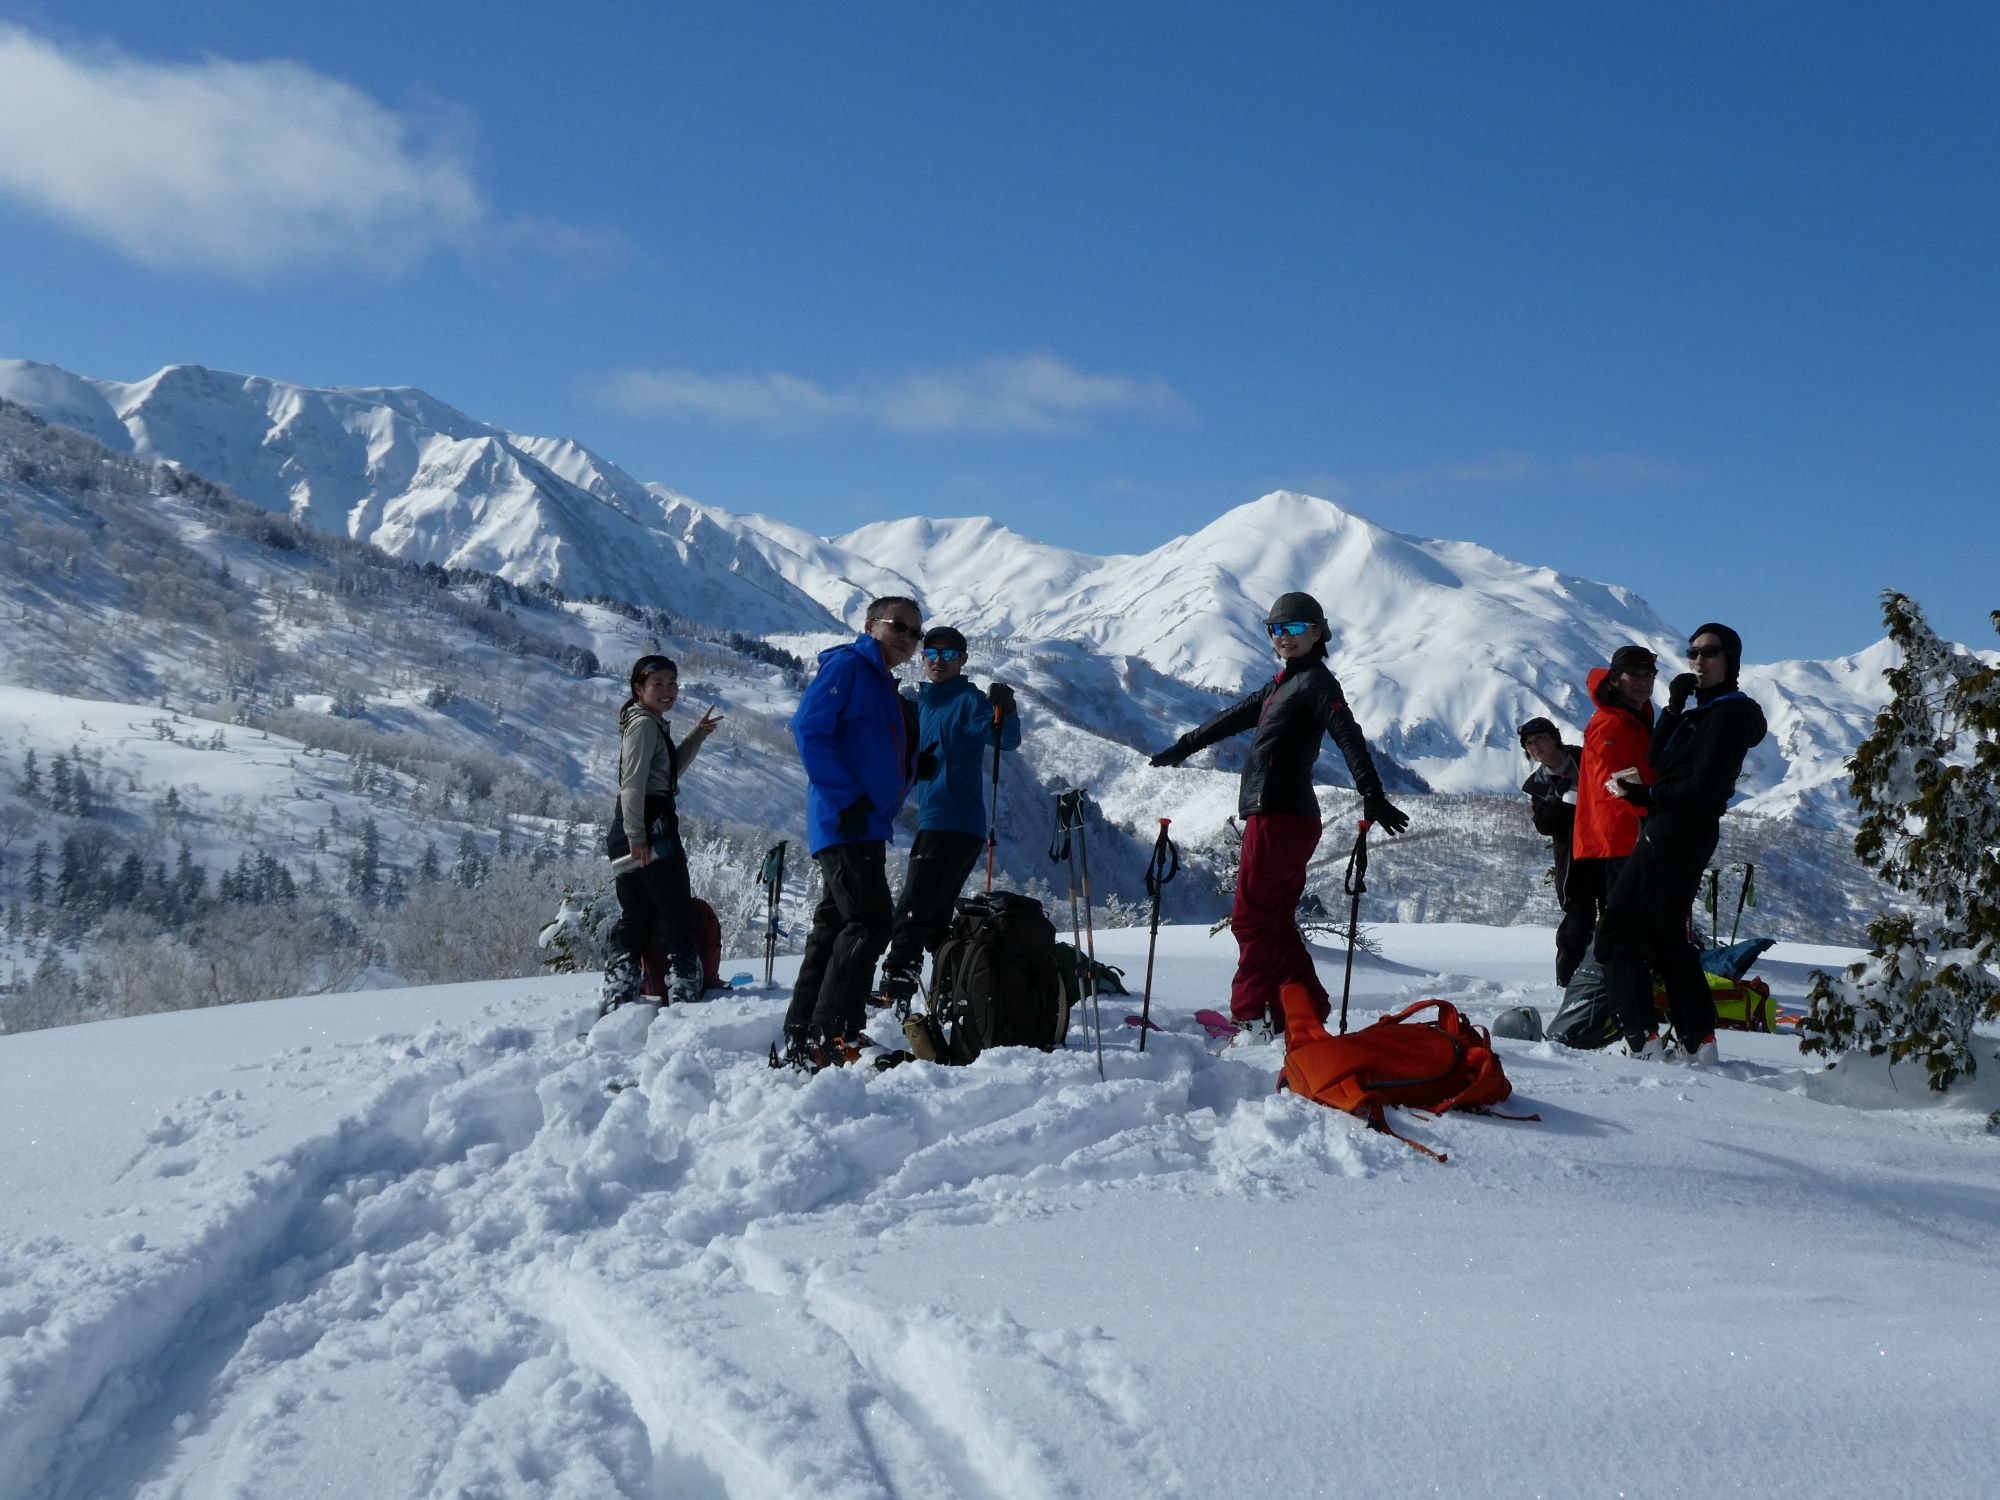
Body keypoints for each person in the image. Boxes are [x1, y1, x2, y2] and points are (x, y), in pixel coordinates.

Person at [1148, 591, 1409, 1034]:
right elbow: (1232, 717)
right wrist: (1184, 747)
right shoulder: (1283, 683)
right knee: (1274, 921)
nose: (1283, 636)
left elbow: (1348, 735)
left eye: (1293, 628)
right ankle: (1305, 1009)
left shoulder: (1316, 684)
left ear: (1317, 633)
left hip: (1281, 816)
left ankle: (1251, 1016)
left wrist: (1371, 790)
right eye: (1275, 629)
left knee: (1251, 919)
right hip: (1281, 816)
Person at [1597, 624, 1767, 1063]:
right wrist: (1674, 706)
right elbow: (1656, 759)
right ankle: (1697, 1041)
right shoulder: (1702, 711)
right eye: (1692, 652)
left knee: (1617, 929)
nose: (1697, 661)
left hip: (1676, 826)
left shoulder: (1728, 714)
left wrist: (1646, 796)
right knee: (1665, 932)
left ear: (1730, 659)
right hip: (1681, 827)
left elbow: (1703, 785)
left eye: (1709, 653)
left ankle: (1641, 1040)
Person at [781, 595, 924, 1063]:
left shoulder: (881, 681)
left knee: (836, 925)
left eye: (915, 633)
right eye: (898, 626)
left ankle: (804, 1034)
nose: (906, 638)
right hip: (846, 820)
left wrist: (916, 766)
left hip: (863, 822)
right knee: (870, 919)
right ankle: (835, 1032)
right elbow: (809, 728)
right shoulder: (850, 667)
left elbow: (871, 748)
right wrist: (847, 798)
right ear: (870, 625)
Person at [876, 627, 1022, 1005]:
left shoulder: (969, 701)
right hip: (937, 819)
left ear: (962, 660)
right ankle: (958, 987)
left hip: (954, 822)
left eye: (948, 655)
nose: (938, 662)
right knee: (935, 917)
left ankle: (897, 986)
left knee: (912, 907)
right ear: (923, 658)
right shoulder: (923, 700)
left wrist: (1006, 710)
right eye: (932, 654)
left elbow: (1005, 740)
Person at [602, 655, 722, 1014]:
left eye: (673, 683)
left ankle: (620, 990)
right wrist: (639, 834)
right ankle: (684, 991)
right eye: (659, 684)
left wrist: (697, 735)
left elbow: (665, 777)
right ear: (639, 689)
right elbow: (633, 784)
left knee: (636, 912)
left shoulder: (646, 724)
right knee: (674, 910)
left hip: (630, 828)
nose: (668, 691)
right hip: (649, 826)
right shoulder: (643, 726)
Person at [1568, 645, 1658, 973]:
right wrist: (1655, 801)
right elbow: (1614, 782)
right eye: (1634, 674)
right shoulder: (1610, 724)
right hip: (1620, 838)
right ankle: (1613, 994)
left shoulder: (1635, 717)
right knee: (1622, 923)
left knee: (1630, 921)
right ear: (1616, 679)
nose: (1643, 681)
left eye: (1648, 675)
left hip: (1632, 831)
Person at [1517, 716, 1588, 985]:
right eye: (1530, 744)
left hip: (1608, 852)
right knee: (1576, 925)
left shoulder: (1585, 759)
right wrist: (1555, 800)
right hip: (1573, 860)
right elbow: (1544, 826)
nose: (1536, 747)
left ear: (1555, 738)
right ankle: (1568, 985)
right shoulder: (1537, 783)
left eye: (1540, 739)